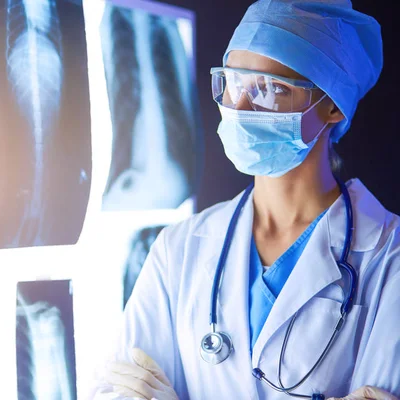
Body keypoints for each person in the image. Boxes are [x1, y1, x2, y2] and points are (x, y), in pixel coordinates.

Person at [90, 0, 400, 399]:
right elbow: (116, 389)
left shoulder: (387, 258)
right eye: (233, 83)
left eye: (271, 89)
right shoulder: (179, 248)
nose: (239, 107)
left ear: (332, 107)